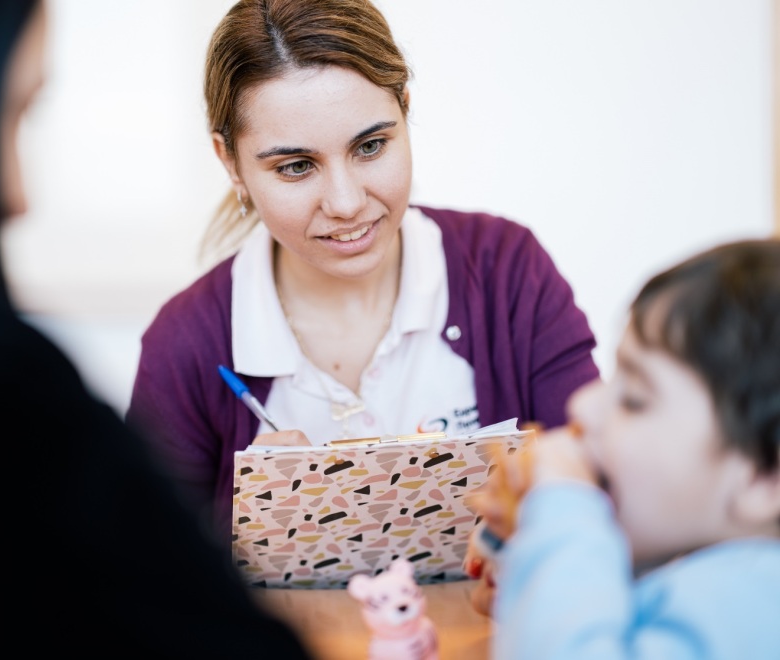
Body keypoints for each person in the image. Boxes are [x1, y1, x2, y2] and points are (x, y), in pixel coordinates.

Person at [0, 0, 312, 655]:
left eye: (371, 145)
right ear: (231, 163)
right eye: (9, 113)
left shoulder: (489, 264)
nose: (19, 197)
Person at [126, 0, 600, 541]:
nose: (347, 203)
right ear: (230, 162)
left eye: (371, 146)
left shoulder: (508, 272)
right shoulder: (184, 345)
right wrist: (245, 527)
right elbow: (141, 569)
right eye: (296, 166)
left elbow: (604, 495)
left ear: (405, 110)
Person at [466, 239, 780, 658]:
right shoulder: (715, 573)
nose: (581, 404)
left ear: (763, 475)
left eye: (635, 399)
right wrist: (536, 556)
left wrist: (564, 503)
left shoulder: (755, 605)